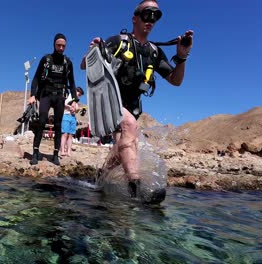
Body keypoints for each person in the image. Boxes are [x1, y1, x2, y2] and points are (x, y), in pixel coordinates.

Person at [81, 0, 193, 198]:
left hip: (133, 107)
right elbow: (85, 65)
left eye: (155, 16)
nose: (150, 20)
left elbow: (176, 81)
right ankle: (137, 188)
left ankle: (101, 180)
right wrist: (92, 50)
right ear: (134, 18)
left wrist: (182, 57)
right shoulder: (118, 42)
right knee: (130, 126)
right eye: (146, 14)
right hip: (109, 102)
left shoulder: (154, 52)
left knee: (124, 149)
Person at [28, 33, 78, 166]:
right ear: (54, 45)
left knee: (57, 125)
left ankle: (56, 154)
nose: (61, 48)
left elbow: (72, 83)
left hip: (59, 97)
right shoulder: (46, 59)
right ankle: (35, 153)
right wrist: (33, 95)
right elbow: (36, 78)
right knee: (42, 121)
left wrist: (74, 100)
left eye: (63, 46)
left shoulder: (68, 63)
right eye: (58, 45)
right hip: (46, 95)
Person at [60, 86, 84, 157]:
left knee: (71, 135)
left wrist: (78, 110)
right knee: (65, 134)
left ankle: (69, 151)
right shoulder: (69, 96)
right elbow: (63, 104)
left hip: (73, 117)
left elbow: (75, 110)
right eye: (79, 94)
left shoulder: (76, 100)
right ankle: (62, 150)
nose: (79, 96)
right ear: (76, 91)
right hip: (66, 115)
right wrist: (69, 107)